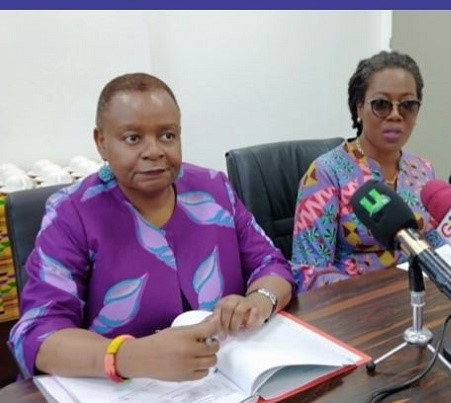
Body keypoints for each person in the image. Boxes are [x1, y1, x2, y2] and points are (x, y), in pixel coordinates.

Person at [9, 73, 294, 382]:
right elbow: (38, 332)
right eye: (133, 138)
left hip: (231, 378)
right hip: (131, 396)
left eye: (167, 136)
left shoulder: (213, 189)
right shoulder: (72, 213)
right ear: (101, 142)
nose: (154, 150)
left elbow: (271, 263)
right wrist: (130, 357)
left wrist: (258, 302)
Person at [291, 51, 444, 292]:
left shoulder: (422, 169)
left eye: (408, 105)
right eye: (381, 104)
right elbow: (309, 271)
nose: (395, 115)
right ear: (359, 107)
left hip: (415, 298)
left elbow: (436, 246)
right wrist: (373, 298)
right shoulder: (326, 174)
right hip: (352, 308)